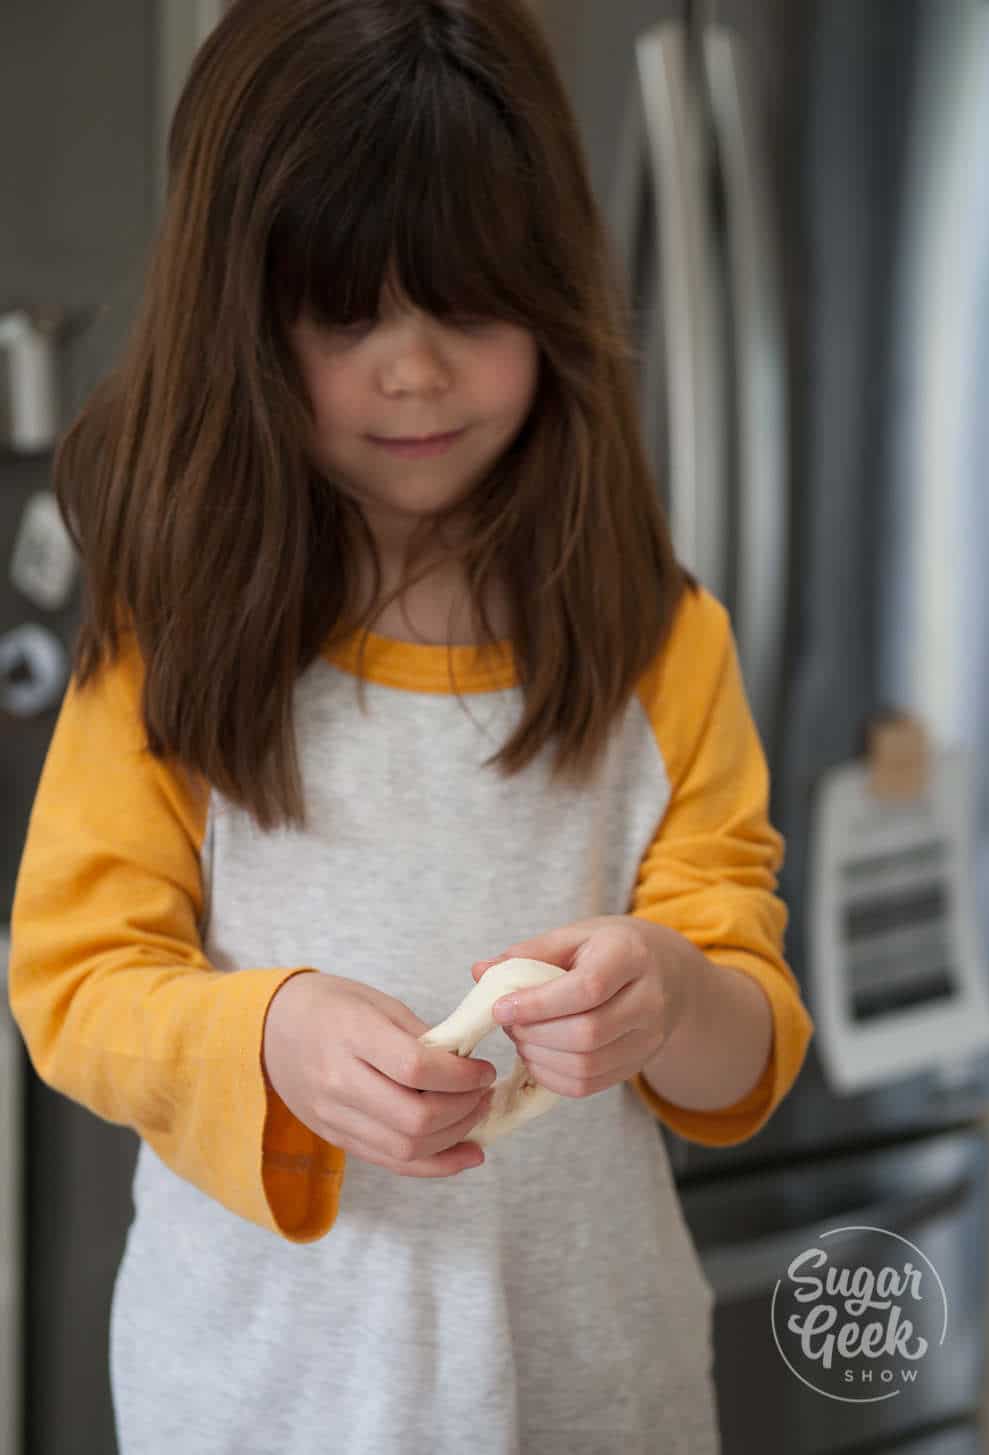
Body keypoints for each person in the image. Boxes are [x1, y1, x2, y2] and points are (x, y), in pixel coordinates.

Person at [7, 2, 814, 1452]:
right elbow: (74, 983)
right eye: (347, 312)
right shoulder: (173, 630)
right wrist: (269, 1043)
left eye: (471, 303)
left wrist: (671, 997)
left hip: (596, 1395)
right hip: (261, 1406)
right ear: (241, 316)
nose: (418, 370)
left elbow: (743, 1024)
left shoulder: (663, 641)